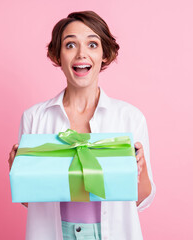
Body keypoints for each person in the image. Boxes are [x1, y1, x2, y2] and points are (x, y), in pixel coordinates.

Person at [8, 11, 156, 240]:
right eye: (70, 45)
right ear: (57, 56)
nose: (81, 54)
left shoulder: (130, 117)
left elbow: (141, 200)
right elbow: (31, 201)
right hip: (54, 233)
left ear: (104, 55)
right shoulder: (34, 117)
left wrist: (141, 167)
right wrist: (18, 175)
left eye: (92, 44)